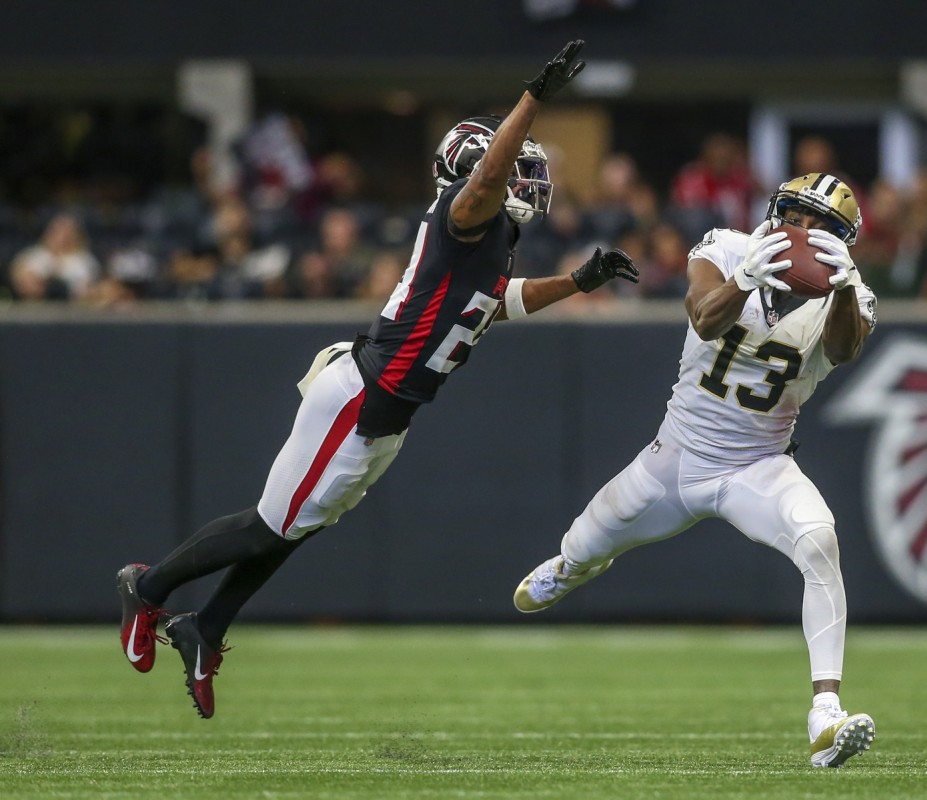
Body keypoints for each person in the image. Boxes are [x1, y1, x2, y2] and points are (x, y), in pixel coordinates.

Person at [115, 40, 639, 719]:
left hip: (388, 414)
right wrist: (533, 98)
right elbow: (487, 180)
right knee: (269, 525)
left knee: (291, 528)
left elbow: (494, 304)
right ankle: (147, 587)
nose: (526, 179)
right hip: (362, 396)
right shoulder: (463, 210)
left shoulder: (493, 239)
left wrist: (577, 281)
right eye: (515, 166)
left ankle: (205, 628)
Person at [512, 172, 878, 768]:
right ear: (776, 212)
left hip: (759, 464)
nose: (802, 232)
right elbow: (704, 317)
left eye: (821, 227)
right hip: (676, 458)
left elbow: (842, 350)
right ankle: (572, 567)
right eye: (796, 216)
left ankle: (825, 714)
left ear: (841, 242)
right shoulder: (729, 248)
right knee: (584, 542)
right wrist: (745, 279)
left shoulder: (852, 290)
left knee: (819, 541)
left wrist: (838, 289)